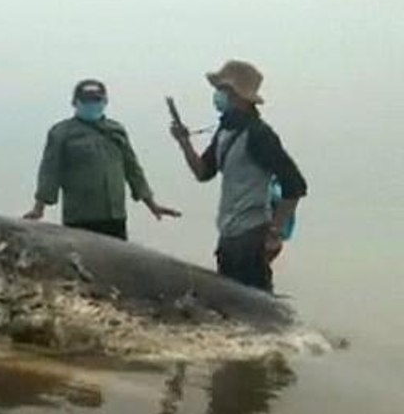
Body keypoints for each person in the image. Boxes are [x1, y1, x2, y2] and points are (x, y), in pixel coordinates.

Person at [170, 60, 307, 292]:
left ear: (239, 96)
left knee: (257, 306)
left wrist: (275, 233)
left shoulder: (259, 134)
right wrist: (184, 143)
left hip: (253, 235)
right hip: (228, 235)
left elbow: (295, 185)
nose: (218, 95)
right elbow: (204, 172)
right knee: (229, 305)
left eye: (223, 90)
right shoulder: (225, 131)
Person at [24, 79, 180, 240]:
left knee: (117, 262)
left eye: (96, 100)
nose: (92, 104)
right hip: (80, 217)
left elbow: (133, 170)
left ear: (105, 101)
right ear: (74, 103)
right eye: (86, 100)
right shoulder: (61, 133)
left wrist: (152, 204)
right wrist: (39, 208)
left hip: (115, 216)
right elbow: (49, 172)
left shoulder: (116, 130)